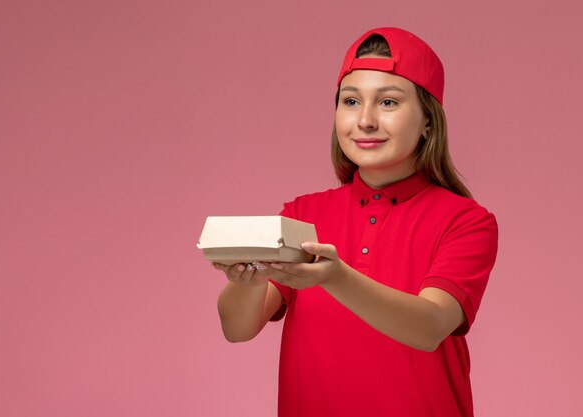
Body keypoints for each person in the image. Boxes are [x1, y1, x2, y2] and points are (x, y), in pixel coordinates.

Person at [213, 27, 498, 417]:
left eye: (388, 103)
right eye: (350, 101)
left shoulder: (466, 222)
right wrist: (244, 281)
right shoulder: (302, 214)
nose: (364, 120)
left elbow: (429, 327)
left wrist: (335, 277)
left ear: (428, 121)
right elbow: (238, 329)